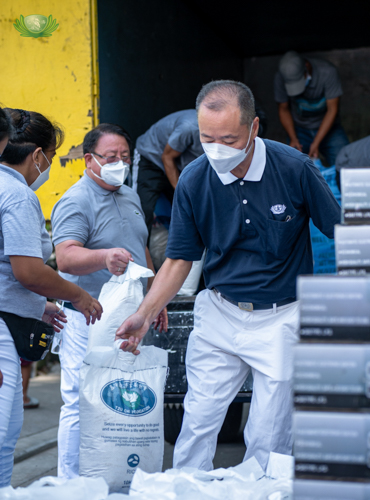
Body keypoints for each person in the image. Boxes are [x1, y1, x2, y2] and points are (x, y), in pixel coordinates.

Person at [115, 80, 341, 472]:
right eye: (207, 138)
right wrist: (145, 313)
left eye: (229, 138)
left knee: (270, 434)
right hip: (220, 313)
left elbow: (344, 232)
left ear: (254, 128)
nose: (217, 148)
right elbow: (179, 259)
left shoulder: (294, 168)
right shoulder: (193, 179)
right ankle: (187, 491)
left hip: (282, 317)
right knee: (198, 421)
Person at [51, 123, 168, 479]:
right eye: (111, 157)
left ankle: (115, 475)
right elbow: (66, 257)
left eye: (125, 157)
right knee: (79, 399)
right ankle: (72, 483)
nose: (120, 163)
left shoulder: (129, 194)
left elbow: (141, 249)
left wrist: (154, 298)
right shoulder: (76, 200)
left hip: (130, 316)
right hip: (87, 316)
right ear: (89, 159)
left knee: (122, 398)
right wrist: (102, 258)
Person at [0, 108, 102, 487]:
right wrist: (77, 296)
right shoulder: (17, 194)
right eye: (53, 156)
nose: (51, 166)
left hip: (9, 316)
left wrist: (34, 304)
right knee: (3, 431)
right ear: (38, 155)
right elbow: (27, 269)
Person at [133, 110, 204, 239]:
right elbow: (167, 157)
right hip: (152, 157)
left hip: (181, 165)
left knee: (190, 208)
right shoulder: (190, 127)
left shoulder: (227, 134)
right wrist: (181, 191)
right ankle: (138, 257)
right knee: (142, 211)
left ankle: (187, 255)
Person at [274, 51, 349, 166]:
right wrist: (293, 138)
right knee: (292, 166)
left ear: (307, 66)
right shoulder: (281, 77)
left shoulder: (327, 72)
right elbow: (283, 109)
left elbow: (332, 110)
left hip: (330, 128)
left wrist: (316, 143)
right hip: (299, 129)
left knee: (345, 163)